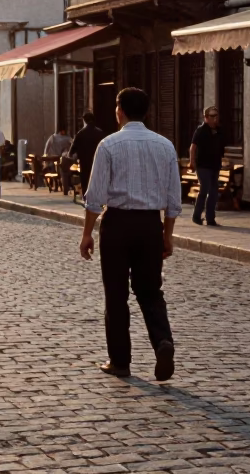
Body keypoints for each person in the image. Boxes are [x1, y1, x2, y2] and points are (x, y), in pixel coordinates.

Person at [80, 88, 181, 382]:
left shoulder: (109, 145)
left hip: (117, 226)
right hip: (150, 225)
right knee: (150, 291)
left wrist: (87, 233)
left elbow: (94, 196)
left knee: (116, 294)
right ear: (146, 112)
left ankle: (120, 360)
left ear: (120, 110)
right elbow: (174, 199)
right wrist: (167, 235)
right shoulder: (165, 146)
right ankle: (162, 341)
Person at [188, 107, 225, 226]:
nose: (215, 119)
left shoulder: (219, 130)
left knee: (214, 192)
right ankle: (196, 216)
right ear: (206, 118)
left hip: (215, 165)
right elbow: (193, 147)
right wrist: (192, 161)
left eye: (216, 116)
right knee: (205, 189)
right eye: (212, 116)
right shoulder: (201, 130)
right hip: (203, 165)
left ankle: (210, 218)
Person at [70, 112, 106, 196]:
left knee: (86, 181)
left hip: (84, 163)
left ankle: (87, 200)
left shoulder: (80, 133)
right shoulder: (100, 133)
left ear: (84, 121)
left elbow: (71, 150)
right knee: (97, 180)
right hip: (98, 161)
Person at [44, 126, 74, 193]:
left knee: (58, 173)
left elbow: (47, 146)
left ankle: (59, 186)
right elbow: (47, 146)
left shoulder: (57, 137)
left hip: (58, 157)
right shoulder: (55, 137)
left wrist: (45, 154)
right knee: (56, 172)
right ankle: (58, 186)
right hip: (57, 157)